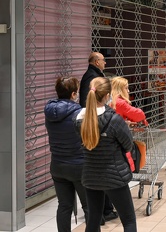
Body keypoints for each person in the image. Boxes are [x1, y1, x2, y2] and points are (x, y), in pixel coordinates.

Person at [74, 77, 137, 232]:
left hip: (90, 175)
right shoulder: (114, 119)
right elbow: (128, 144)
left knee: (94, 219)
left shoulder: (79, 119)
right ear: (107, 95)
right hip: (114, 176)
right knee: (128, 220)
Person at [44, 77, 88, 232]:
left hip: (57, 165)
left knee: (64, 206)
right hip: (78, 165)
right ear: (73, 94)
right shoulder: (80, 113)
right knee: (89, 206)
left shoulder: (50, 112)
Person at [79, 52, 117, 224]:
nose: (105, 62)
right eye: (103, 60)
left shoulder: (92, 75)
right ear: (96, 61)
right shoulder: (91, 78)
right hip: (96, 127)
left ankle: (104, 211)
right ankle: (103, 211)